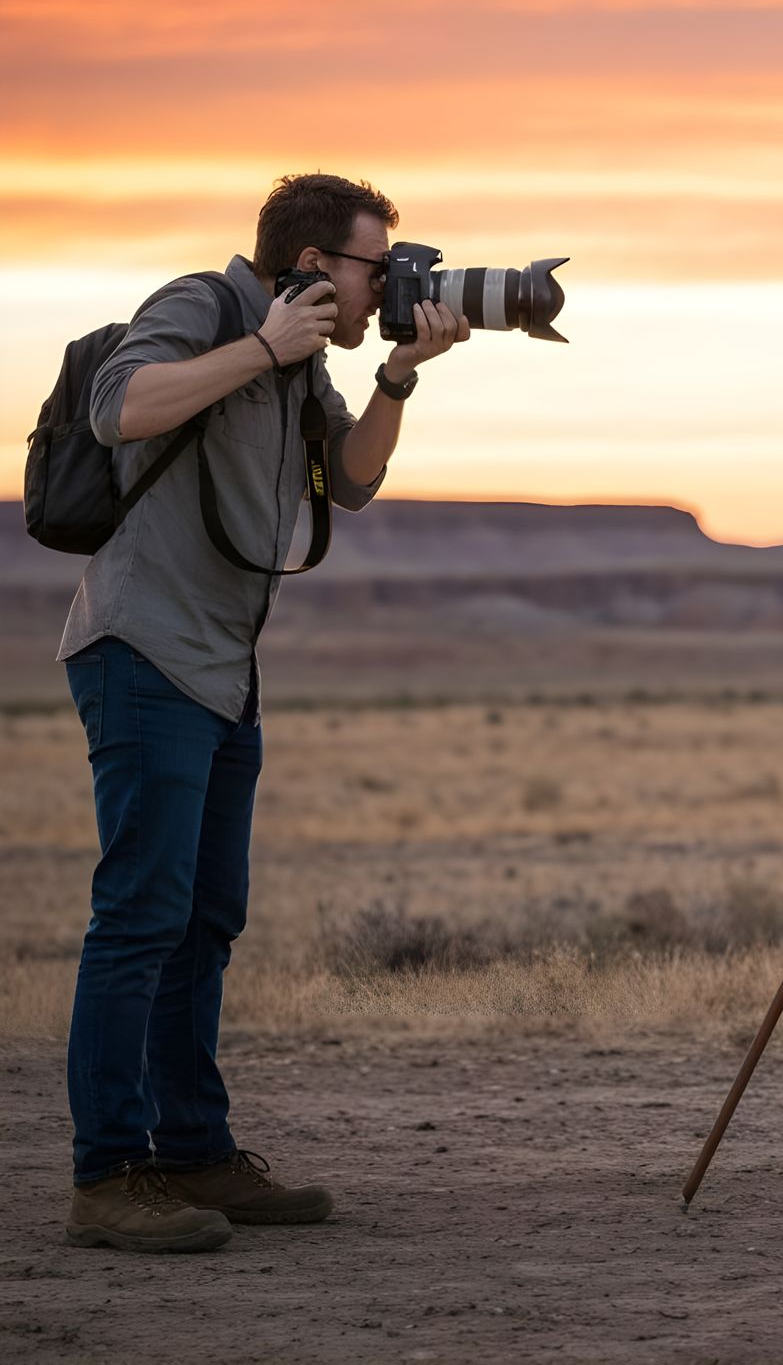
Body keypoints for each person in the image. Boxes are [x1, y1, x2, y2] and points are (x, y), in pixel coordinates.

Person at [58, 173, 468, 1253]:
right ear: (309, 266)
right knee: (140, 914)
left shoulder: (304, 364)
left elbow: (356, 479)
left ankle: (195, 1153)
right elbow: (119, 407)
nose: (387, 285)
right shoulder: (206, 305)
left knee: (206, 919)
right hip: (142, 648)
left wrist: (396, 376)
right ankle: (106, 1177)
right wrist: (265, 347)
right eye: (374, 269)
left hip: (222, 668)